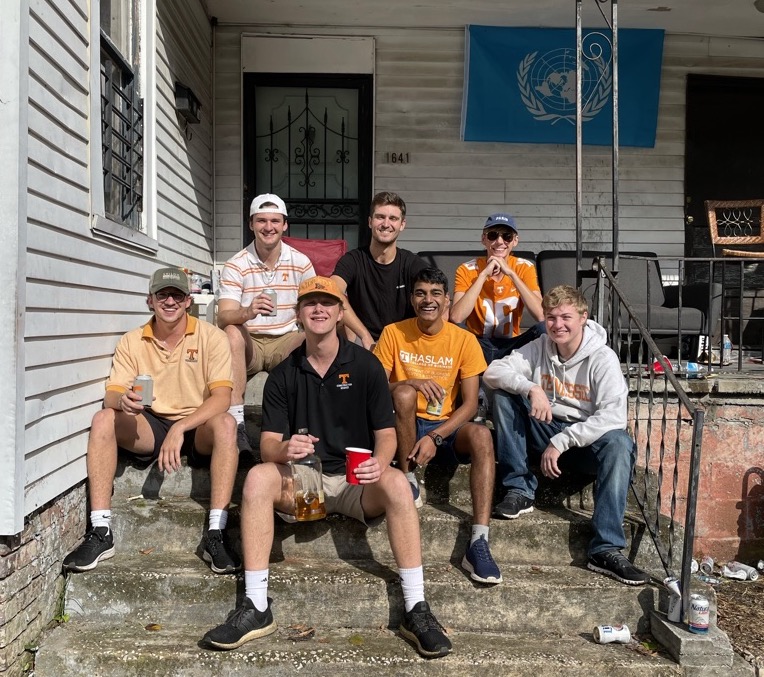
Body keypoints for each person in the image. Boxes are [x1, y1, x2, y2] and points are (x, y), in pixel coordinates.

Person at [202, 276, 452, 659]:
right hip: (306, 482)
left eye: (327, 303)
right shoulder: (283, 374)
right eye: (310, 303)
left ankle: (416, 607)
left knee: (399, 484)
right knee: (257, 478)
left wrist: (379, 462)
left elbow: (386, 435)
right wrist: (284, 449)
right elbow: (267, 445)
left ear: (339, 314)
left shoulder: (366, 366)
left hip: (356, 481)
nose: (319, 309)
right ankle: (256, 606)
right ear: (298, 314)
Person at [63, 268, 240, 575]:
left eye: (177, 295)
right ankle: (101, 530)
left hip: (197, 424)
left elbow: (222, 397)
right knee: (103, 419)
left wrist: (181, 427)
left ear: (188, 301)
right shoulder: (132, 340)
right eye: (163, 295)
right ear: (150, 300)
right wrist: (123, 401)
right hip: (152, 422)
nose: (170, 301)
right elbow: (113, 392)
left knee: (226, 424)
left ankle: (217, 531)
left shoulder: (212, 337)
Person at [483, 285, 650, 586]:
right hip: (544, 427)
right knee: (504, 396)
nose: (557, 325)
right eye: (551, 318)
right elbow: (493, 372)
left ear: (583, 318)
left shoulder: (603, 358)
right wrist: (531, 388)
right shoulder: (540, 346)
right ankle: (519, 489)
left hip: (584, 444)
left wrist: (562, 441)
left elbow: (614, 417)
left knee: (619, 443)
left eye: (565, 317)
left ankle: (606, 549)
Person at [374, 267, 501, 585]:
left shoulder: (464, 340)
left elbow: (470, 405)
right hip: (403, 424)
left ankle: (479, 541)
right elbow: (374, 388)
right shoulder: (393, 333)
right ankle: (408, 477)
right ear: (411, 299)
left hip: (445, 427)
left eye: (435, 294)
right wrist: (412, 382)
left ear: (447, 301)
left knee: (483, 435)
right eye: (420, 293)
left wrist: (436, 435)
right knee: (403, 393)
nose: (427, 300)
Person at [217, 193, 315, 454]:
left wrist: (304, 315)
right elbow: (223, 316)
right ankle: (237, 425)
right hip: (250, 341)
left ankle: (303, 429)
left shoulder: (300, 262)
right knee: (231, 332)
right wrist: (247, 312)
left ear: (285, 225)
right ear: (251, 224)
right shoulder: (236, 264)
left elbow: (314, 303)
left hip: (286, 339)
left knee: (312, 336)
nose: (268, 227)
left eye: (275, 221)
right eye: (261, 220)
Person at [331, 191, 427, 349]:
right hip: (363, 342)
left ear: (402, 224)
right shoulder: (353, 260)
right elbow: (331, 291)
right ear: (370, 222)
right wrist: (364, 335)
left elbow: (438, 296)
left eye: (393, 218)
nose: (386, 224)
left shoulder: (412, 263)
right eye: (380, 217)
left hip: (404, 342)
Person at [450, 213, 545, 365]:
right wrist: (483, 275)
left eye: (507, 236)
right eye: (493, 235)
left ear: (515, 241)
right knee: (455, 330)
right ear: (484, 239)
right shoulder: (466, 269)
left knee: (544, 329)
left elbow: (541, 315)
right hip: (477, 344)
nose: (500, 241)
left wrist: (511, 274)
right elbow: (456, 317)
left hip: (513, 345)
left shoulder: (524, 267)